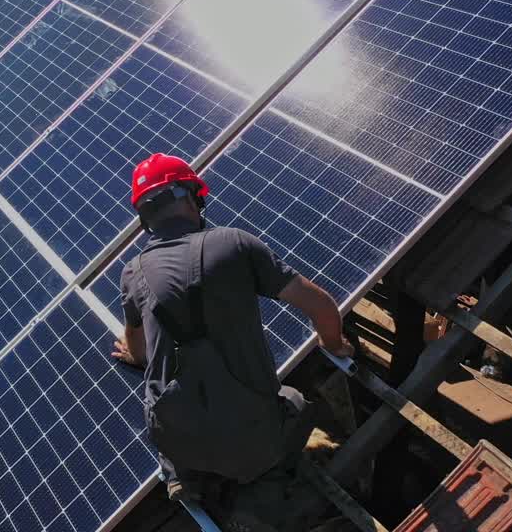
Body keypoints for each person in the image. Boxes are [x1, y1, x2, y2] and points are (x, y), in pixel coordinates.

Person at [111, 153, 354, 530]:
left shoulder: (133, 273)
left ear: (145, 217)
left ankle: (182, 476)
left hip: (180, 442)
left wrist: (133, 352)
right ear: (193, 197)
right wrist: (335, 345)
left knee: (165, 405)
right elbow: (321, 305)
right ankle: (256, 506)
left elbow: (138, 351)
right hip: (251, 440)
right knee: (296, 404)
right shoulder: (234, 244)